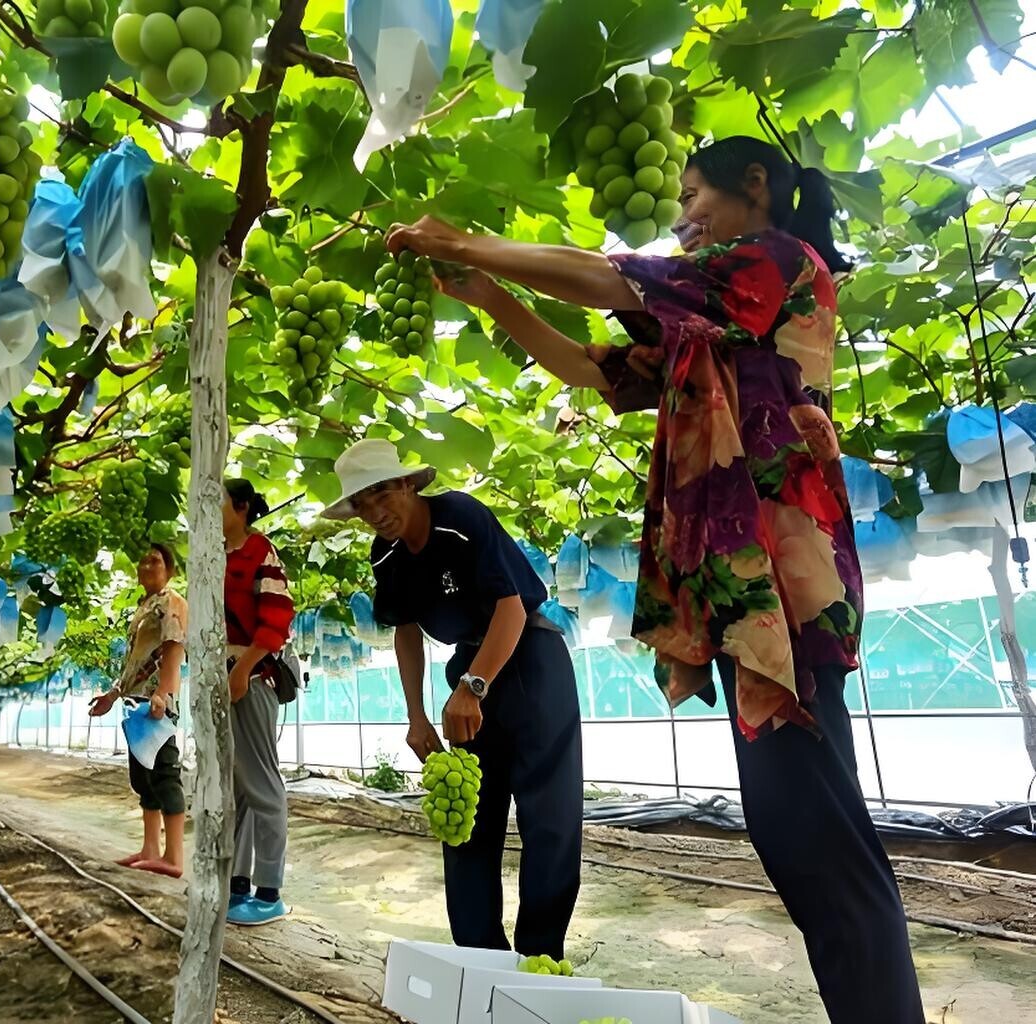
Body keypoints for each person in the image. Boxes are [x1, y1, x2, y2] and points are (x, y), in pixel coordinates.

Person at [388, 136, 923, 1022]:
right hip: (747, 593)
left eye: (692, 194)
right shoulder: (713, 320)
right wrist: (490, 297)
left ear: (757, 186)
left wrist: (468, 244)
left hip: (783, 583)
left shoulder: (777, 263)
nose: (681, 216)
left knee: (817, 837)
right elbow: (598, 371)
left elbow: (610, 276)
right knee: (799, 831)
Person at [321, 439, 582, 958]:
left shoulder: (458, 516)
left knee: (548, 820)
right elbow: (405, 630)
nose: (375, 511)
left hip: (529, 657)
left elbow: (510, 608)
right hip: (469, 668)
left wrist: (473, 686)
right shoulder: (387, 555)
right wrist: (416, 716)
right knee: (467, 820)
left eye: (382, 493)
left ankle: (539, 959)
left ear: (409, 485)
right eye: (362, 504)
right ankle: (480, 956)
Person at [88, 542, 189, 878]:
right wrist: (114, 694)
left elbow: (173, 650)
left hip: (156, 703)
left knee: (164, 776)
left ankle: (173, 857)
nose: (148, 565)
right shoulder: (144, 606)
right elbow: (136, 661)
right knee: (143, 778)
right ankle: (150, 848)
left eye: (156, 561)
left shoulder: (171, 602)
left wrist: (163, 693)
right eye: (143, 561)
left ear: (170, 570)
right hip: (137, 702)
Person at [221, 479, 295, 927]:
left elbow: (275, 623)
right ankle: (237, 883)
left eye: (217, 502)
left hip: (251, 678)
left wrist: (242, 670)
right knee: (238, 785)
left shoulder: (259, 552)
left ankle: (270, 892)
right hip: (227, 678)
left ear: (243, 507)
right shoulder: (217, 557)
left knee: (262, 784)